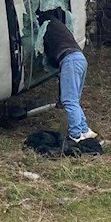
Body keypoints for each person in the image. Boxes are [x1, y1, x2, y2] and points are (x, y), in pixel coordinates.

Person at [39, 9, 98, 142]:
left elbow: (44, 51)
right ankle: (85, 130)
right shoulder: (57, 24)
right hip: (80, 58)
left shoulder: (44, 25)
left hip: (69, 60)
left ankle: (75, 135)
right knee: (74, 99)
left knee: (69, 100)